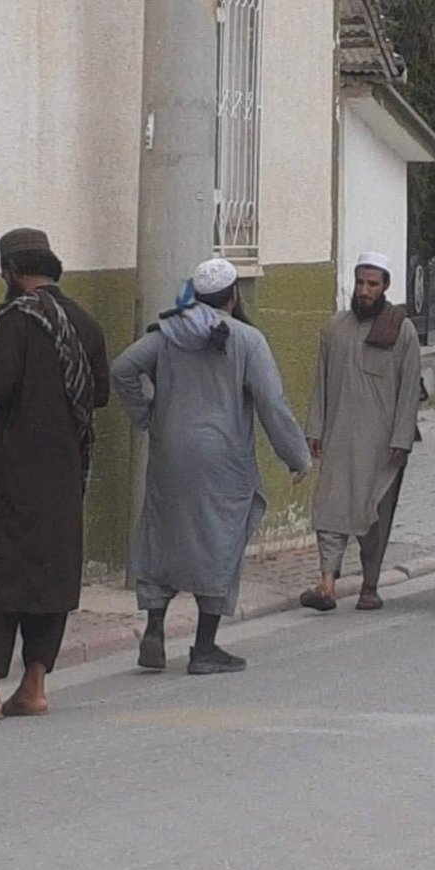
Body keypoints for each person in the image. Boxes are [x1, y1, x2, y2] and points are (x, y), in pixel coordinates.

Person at [0, 229, 110, 728]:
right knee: (50, 575)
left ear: (12, 270)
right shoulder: (85, 322)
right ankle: (34, 686)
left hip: (13, 473)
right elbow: (98, 393)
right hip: (65, 473)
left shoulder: (17, 318)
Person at [111, 258, 310, 674]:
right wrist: (296, 456)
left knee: (161, 534)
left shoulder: (166, 333)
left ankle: (155, 628)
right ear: (234, 295)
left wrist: (146, 414)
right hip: (224, 460)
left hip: (170, 457)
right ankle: (204, 647)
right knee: (221, 541)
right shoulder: (248, 340)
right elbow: (273, 405)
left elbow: (123, 368)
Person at [301, 252, 421, 612]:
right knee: (330, 510)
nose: (365, 291)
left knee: (375, 516)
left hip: (382, 445)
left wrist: (402, 438)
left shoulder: (401, 330)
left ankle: (370, 585)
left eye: (373, 284)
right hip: (338, 437)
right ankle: (327, 583)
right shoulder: (333, 329)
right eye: (360, 283)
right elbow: (320, 384)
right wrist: (315, 429)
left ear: (385, 286)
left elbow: (410, 387)